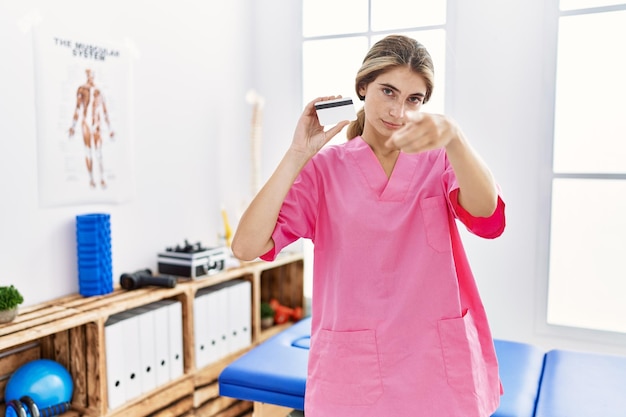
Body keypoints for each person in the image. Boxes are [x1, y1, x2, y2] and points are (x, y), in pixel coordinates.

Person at [232, 34, 506, 417]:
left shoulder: (438, 160)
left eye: (414, 100)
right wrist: (297, 156)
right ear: (363, 87)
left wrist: (456, 138)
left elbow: (487, 214)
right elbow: (246, 246)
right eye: (388, 92)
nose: (398, 111)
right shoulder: (325, 171)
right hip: (354, 372)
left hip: (436, 365)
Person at [68, 68, 115, 189]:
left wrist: (110, 129)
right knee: (88, 152)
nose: (90, 77)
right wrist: (73, 126)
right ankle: (91, 179)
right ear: (86, 75)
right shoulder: (82, 89)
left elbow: (104, 110)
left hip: (96, 124)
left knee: (99, 152)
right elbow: (77, 108)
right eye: (89, 74)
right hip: (86, 124)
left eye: (92, 74)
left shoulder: (99, 91)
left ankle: (102, 178)